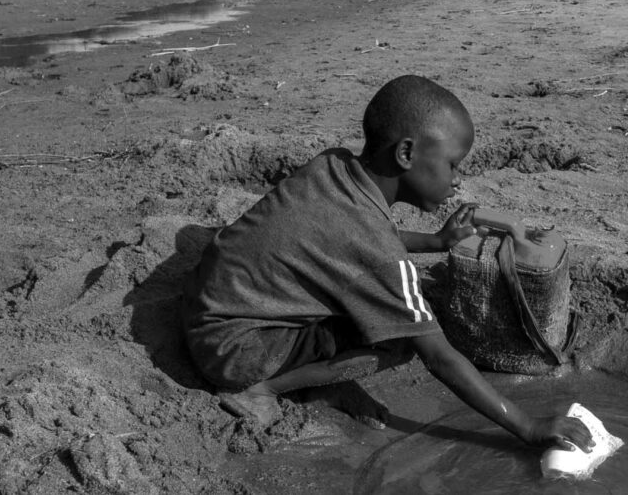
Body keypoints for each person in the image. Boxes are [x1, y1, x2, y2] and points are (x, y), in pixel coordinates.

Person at [182, 74, 593, 452]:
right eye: (452, 164)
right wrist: (528, 426)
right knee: (399, 340)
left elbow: (343, 241)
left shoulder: (334, 166)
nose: (457, 180)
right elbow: (439, 356)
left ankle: (315, 380)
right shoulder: (374, 245)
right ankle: (264, 388)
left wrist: (435, 242)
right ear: (407, 153)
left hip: (213, 309)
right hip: (235, 351)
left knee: (375, 305)